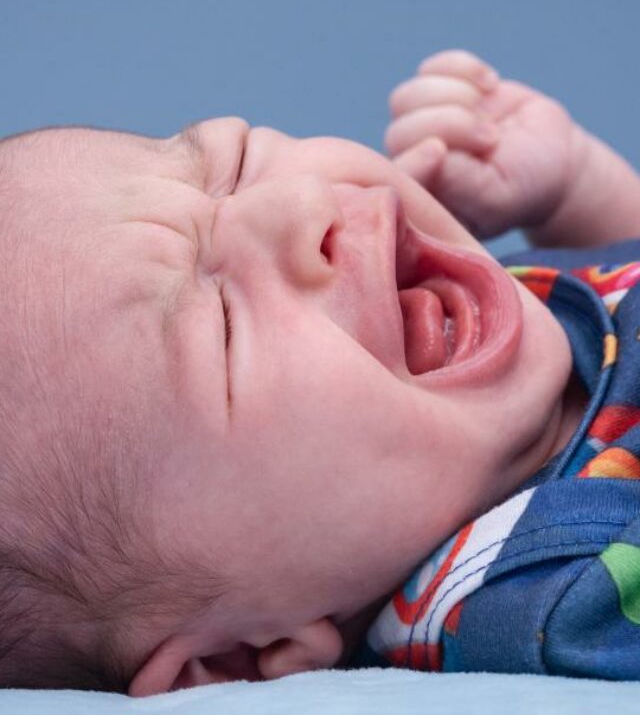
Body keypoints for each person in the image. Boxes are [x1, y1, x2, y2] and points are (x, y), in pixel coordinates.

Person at [0, 51, 638, 695]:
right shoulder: (567, 606)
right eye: (221, 328)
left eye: (232, 166)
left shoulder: (483, 338)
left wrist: (586, 197)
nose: (301, 204)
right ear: (239, 660)